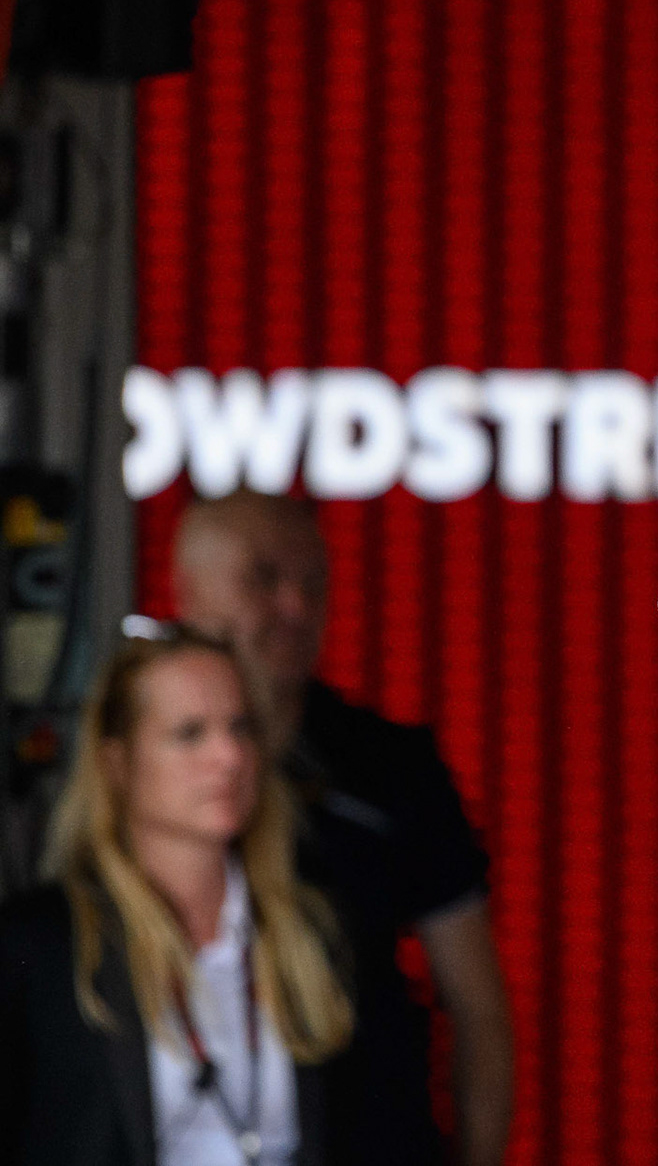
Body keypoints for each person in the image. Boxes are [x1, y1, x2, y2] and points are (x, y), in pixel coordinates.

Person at [172, 493, 511, 1166]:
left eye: (314, 585)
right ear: (185, 590)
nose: (294, 608)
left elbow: (478, 1009)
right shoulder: (119, 756)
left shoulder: (391, 768)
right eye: (263, 578)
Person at [0, 629, 353, 1165]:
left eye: (240, 728)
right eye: (190, 733)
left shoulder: (309, 930)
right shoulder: (41, 944)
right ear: (118, 764)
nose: (229, 755)